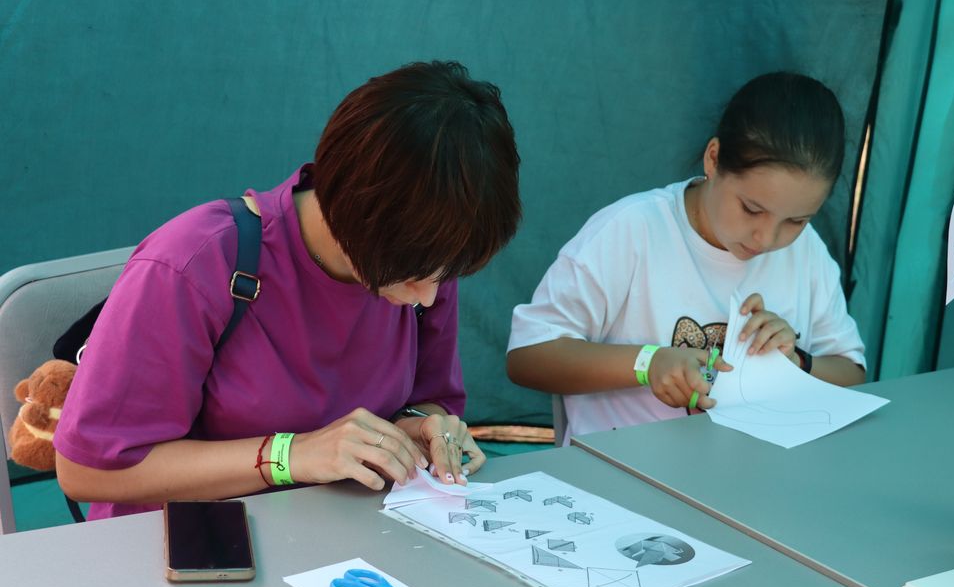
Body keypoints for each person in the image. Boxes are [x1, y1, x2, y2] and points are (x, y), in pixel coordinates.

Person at [54, 61, 521, 519]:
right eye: (417, 273)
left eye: (446, 274)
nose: (430, 297)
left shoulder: (423, 261)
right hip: (193, 544)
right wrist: (290, 455)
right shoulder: (195, 263)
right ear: (360, 212)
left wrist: (418, 427)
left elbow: (428, 399)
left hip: (343, 536)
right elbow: (86, 470)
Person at [506, 72, 865, 439]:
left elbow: (852, 372)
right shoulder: (632, 231)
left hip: (751, 466)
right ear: (714, 158)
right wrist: (648, 363)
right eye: (752, 209)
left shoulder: (806, 252)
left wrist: (796, 362)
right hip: (623, 465)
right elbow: (528, 356)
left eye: (796, 221)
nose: (767, 237)